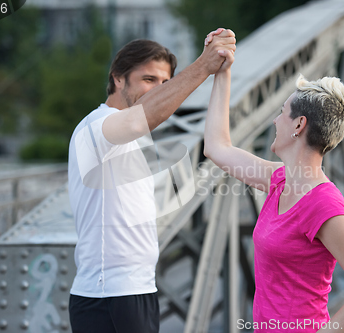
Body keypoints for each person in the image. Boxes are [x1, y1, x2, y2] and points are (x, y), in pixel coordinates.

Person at [203, 45, 344, 332]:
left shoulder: (323, 204)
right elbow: (217, 147)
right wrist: (222, 72)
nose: (275, 121)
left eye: (281, 113)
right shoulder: (279, 180)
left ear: (299, 125)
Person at [67, 29, 236, 333]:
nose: (158, 90)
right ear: (118, 78)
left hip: (135, 290)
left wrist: (222, 74)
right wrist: (204, 65)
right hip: (111, 295)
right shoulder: (97, 127)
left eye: (165, 83)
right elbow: (138, 119)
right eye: (149, 80)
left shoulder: (138, 140)